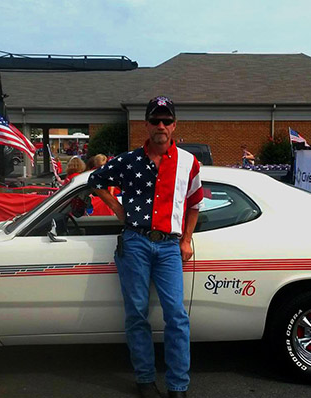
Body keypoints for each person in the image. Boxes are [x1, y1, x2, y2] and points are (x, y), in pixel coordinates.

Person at [88, 96, 203, 398]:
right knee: (137, 313)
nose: (161, 126)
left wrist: (187, 239)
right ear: (146, 125)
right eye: (155, 120)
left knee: (176, 316)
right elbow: (94, 179)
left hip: (169, 247)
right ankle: (144, 379)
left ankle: (178, 386)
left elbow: (195, 204)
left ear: (175, 124)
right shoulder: (128, 161)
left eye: (166, 120)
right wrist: (115, 205)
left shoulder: (189, 162)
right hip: (135, 242)